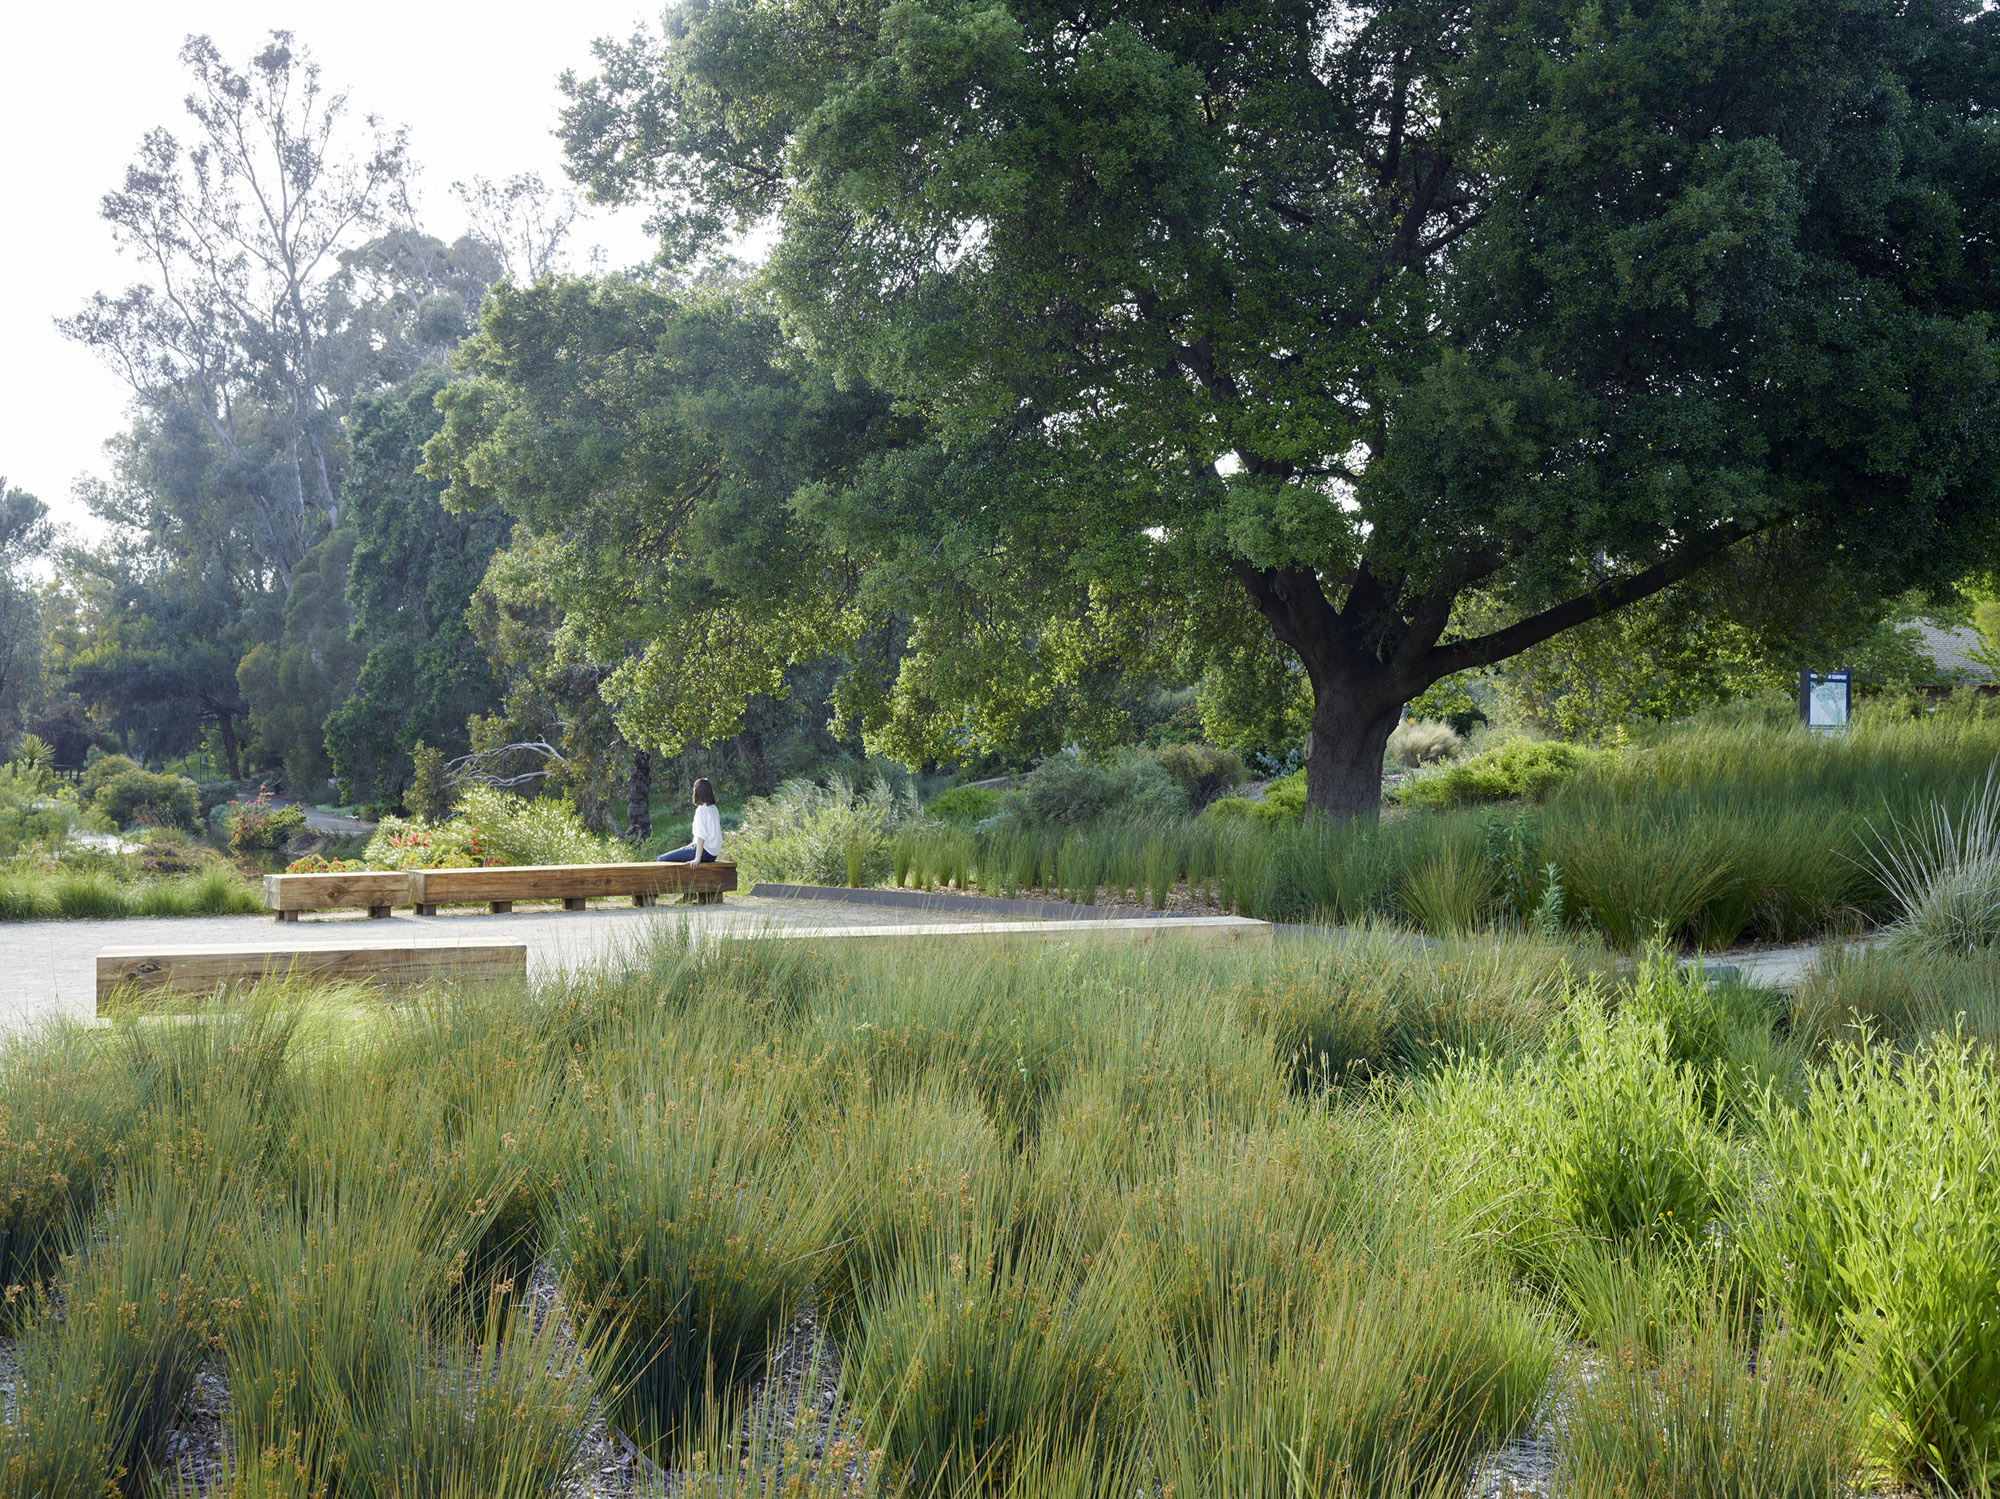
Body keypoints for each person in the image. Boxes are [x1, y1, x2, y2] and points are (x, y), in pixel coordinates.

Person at [657, 778, 722, 863]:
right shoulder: (713, 808)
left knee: (661, 859)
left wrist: (697, 859)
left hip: (703, 852)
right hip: (712, 855)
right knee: (680, 852)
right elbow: (708, 834)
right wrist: (689, 846)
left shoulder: (701, 810)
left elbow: (701, 836)